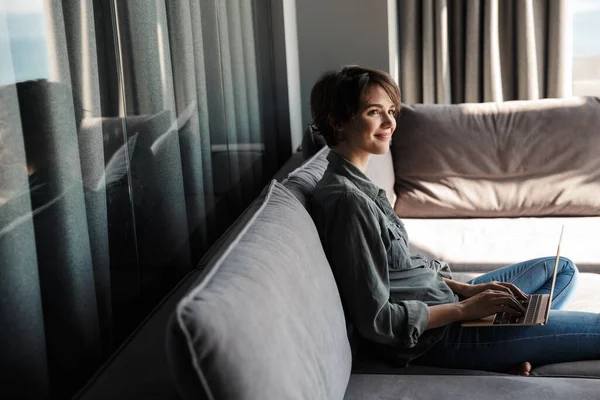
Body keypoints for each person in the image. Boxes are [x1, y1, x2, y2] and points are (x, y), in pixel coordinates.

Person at [310, 65, 600, 375]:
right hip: (439, 336)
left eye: (391, 111)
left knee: (562, 270)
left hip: (448, 302)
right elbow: (378, 321)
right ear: (338, 122)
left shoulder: (359, 185)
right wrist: (465, 310)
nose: (390, 122)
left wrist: (467, 290)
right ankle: (506, 347)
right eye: (374, 112)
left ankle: (516, 342)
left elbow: (401, 273)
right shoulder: (349, 203)